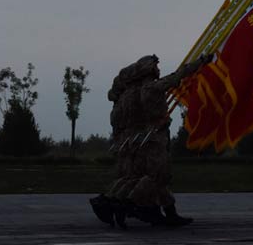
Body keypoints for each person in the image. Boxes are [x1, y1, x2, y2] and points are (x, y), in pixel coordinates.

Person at [90, 53, 212, 227]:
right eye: (155, 65)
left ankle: (164, 212)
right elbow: (178, 75)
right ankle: (129, 204)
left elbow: (118, 122)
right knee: (157, 176)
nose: (158, 69)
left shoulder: (126, 96)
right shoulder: (149, 88)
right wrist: (200, 62)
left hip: (135, 138)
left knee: (140, 177)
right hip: (154, 136)